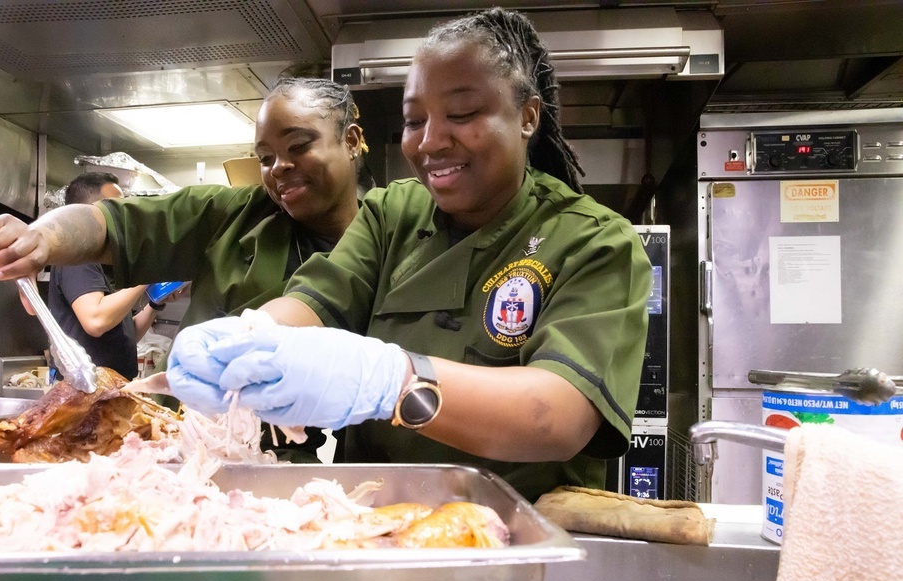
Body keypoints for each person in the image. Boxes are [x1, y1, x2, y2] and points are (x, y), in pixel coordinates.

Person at [163, 8, 654, 502]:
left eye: (461, 115)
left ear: (527, 117)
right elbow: (316, 302)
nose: (430, 141)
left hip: (512, 534)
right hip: (375, 522)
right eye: (414, 120)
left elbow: (559, 416)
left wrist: (391, 381)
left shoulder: (594, 241)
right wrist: (251, 339)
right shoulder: (390, 213)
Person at [0, 78, 370, 462]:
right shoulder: (233, 215)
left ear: (350, 141)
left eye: (298, 146)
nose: (279, 167)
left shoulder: (388, 232)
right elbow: (111, 225)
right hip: (169, 439)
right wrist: (41, 238)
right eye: (266, 158)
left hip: (278, 456)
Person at [45, 171, 157, 381]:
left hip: (112, 387)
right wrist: (148, 273)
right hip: (85, 391)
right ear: (86, 213)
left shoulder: (104, 260)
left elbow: (125, 334)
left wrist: (155, 304)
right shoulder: (77, 258)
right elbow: (95, 321)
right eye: (114, 208)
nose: (122, 217)